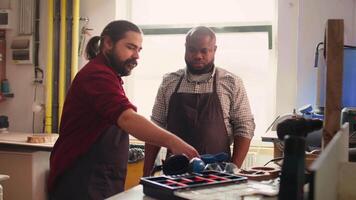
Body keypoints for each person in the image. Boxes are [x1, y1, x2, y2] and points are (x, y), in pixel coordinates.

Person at [48, 20, 198, 200]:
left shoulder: (111, 76)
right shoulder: (97, 75)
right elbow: (127, 119)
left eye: (139, 50)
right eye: (130, 47)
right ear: (108, 43)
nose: (136, 56)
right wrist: (174, 142)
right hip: (82, 180)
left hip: (100, 179)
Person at [143, 26, 255, 176]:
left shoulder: (231, 82)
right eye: (192, 50)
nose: (198, 56)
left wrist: (233, 170)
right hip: (176, 173)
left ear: (214, 50)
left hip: (218, 174)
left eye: (204, 50)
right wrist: (146, 173)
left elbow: (244, 126)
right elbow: (155, 126)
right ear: (185, 48)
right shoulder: (169, 82)